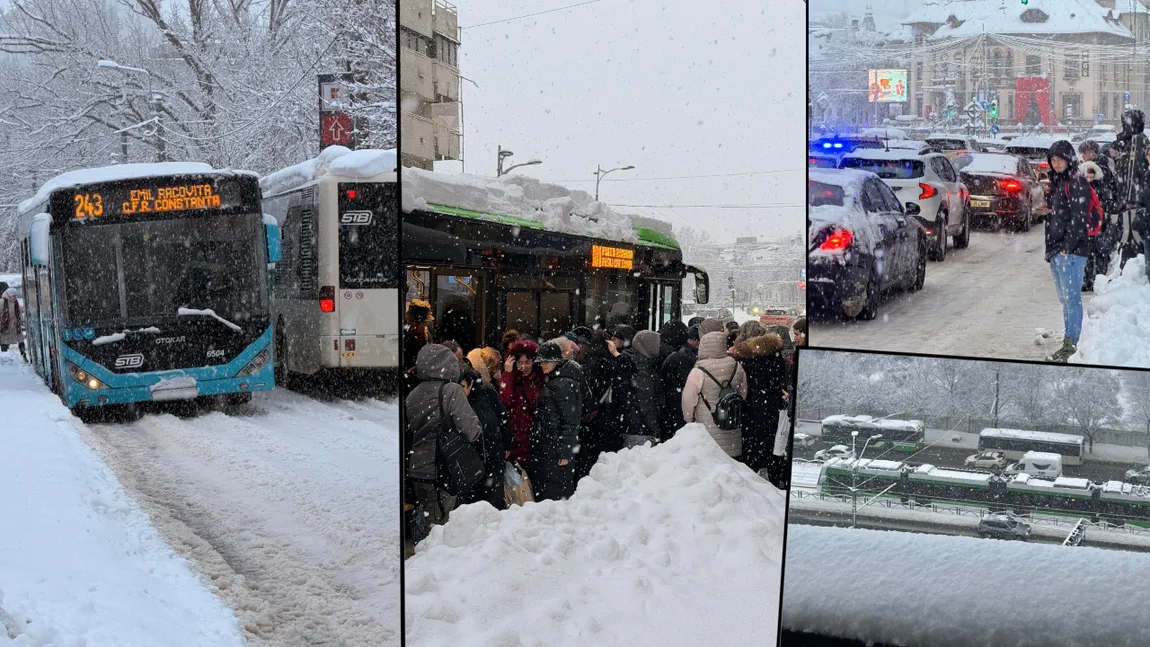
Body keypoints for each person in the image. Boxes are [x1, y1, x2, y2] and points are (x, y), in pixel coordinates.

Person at [404, 343, 483, 539]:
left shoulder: (413, 394)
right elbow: (471, 430)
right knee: (443, 527)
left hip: (418, 468)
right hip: (444, 468)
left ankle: (420, 554)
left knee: (427, 517)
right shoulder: (451, 391)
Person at [1044, 140, 1092, 363]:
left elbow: (1078, 218)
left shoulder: (1077, 182)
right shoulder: (1058, 182)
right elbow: (1057, 216)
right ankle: (1069, 339)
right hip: (1058, 250)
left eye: (1059, 160)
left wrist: (1067, 247)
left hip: (1071, 252)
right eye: (1052, 160)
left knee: (1072, 300)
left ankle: (1071, 344)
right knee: (1065, 299)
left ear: (1068, 159)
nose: (1056, 164)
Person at [727, 321, 786, 473]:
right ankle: (771, 470)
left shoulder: (745, 357)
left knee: (753, 442)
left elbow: (743, 384)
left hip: (753, 404)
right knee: (770, 440)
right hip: (773, 404)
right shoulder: (775, 352)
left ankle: (754, 471)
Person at [681, 330, 748, 457]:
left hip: (708, 426)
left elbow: (688, 399)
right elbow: (743, 393)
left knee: (712, 464)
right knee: (732, 467)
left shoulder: (699, 370)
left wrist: (689, 419)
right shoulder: (737, 366)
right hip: (732, 424)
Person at [530, 341, 582, 501]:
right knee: (554, 493)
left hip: (555, 448)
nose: (543, 365)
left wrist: (565, 452)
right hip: (551, 446)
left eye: (547, 361)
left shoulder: (562, 384)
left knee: (556, 495)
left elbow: (570, 422)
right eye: (541, 362)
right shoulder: (558, 381)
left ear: (557, 361)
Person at [458, 366, 511, 510]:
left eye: (462, 386)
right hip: (473, 461)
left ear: (471, 384)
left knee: (493, 501)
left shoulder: (487, 394)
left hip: (493, 456)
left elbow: (502, 417)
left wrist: (507, 444)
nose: (460, 390)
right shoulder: (459, 402)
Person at [573, 330, 618, 483]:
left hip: (588, 415)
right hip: (604, 412)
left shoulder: (584, 361)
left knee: (589, 451)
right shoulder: (607, 363)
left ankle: (587, 478)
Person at [1079, 141, 1119, 291]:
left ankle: (1094, 279)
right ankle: (1093, 279)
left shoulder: (1099, 166)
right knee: (1094, 247)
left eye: (1084, 152)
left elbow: (1105, 188)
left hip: (1098, 214)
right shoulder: (1098, 165)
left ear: (1092, 152)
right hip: (1097, 214)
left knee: (1097, 248)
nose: (1082, 156)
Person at [499, 338, 544, 465]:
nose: (523, 367)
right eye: (519, 362)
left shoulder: (539, 379)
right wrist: (507, 374)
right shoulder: (510, 378)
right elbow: (504, 402)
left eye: (527, 362)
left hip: (535, 439)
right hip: (516, 439)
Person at [623, 330, 663, 448]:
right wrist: (655, 428)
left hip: (632, 424)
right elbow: (645, 402)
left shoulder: (633, 361)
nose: (659, 347)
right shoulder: (641, 368)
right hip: (640, 428)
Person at [659, 324, 700, 438]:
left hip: (673, 405)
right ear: (696, 341)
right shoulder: (684, 358)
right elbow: (688, 385)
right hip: (676, 407)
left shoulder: (681, 354)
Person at [403, 300, 434, 397]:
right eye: (414, 322)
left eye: (423, 323)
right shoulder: (404, 337)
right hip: (408, 383)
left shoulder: (428, 334)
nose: (418, 326)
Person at [0, 282, 26, 361]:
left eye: (15, 296)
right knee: (4, 340)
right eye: (13, 296)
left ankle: (23, 353)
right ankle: (5, 356)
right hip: (6, 325)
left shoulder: (15, 302)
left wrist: (21, 321)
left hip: (14, 325)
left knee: (20, 339)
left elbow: (19, 313)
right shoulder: (2, 302)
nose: (15, 297)